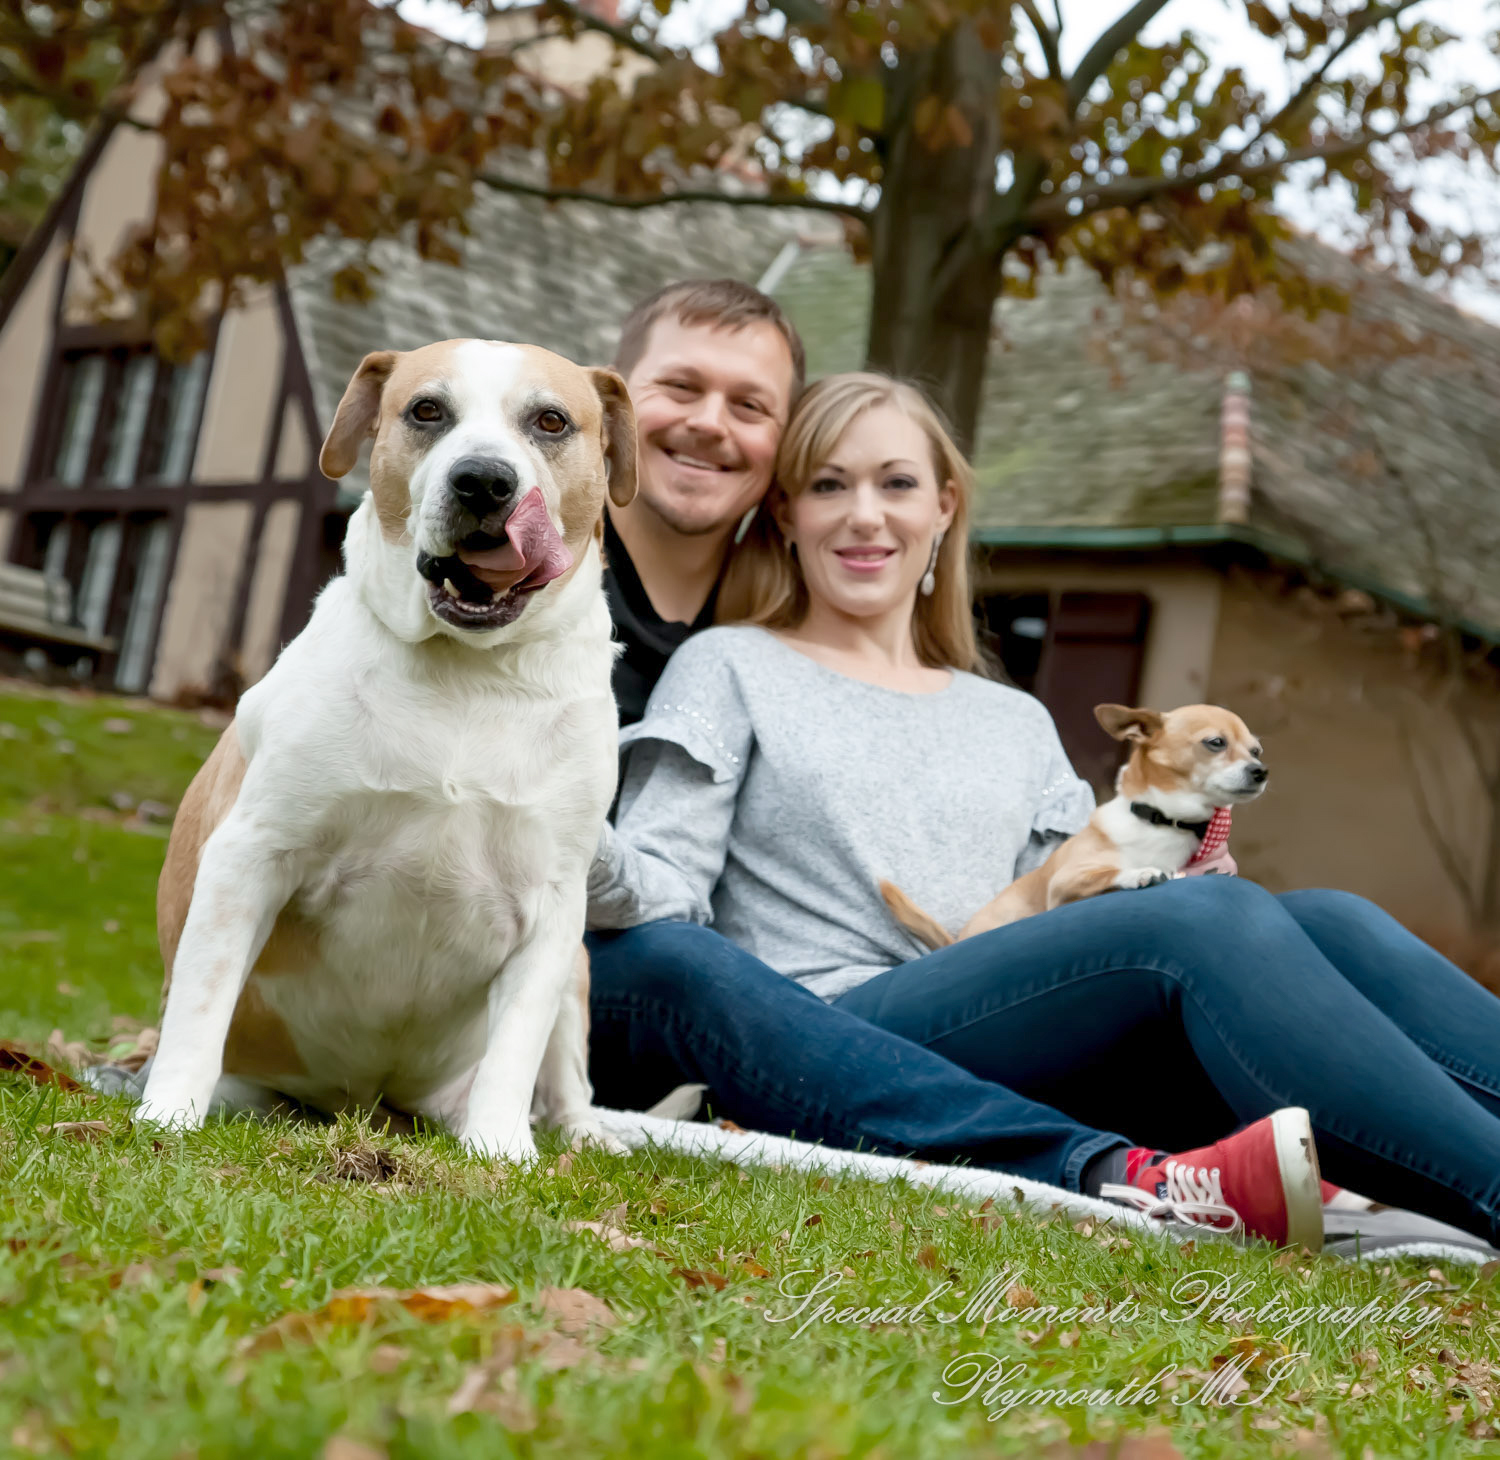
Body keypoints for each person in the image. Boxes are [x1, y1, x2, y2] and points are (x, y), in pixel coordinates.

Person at [585, 369, 1500, 1252]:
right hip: (832, 1035)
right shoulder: (730, 666)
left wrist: (1179, 875)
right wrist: (561, 837)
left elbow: (1077, 900)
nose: (865, 514)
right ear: (787, 515)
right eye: (829, 486)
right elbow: (666, 898)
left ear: (943, 506)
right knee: (1202, 921)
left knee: (1324, 917)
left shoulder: (1014, 718)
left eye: (896, 483)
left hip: (1020, 1028)